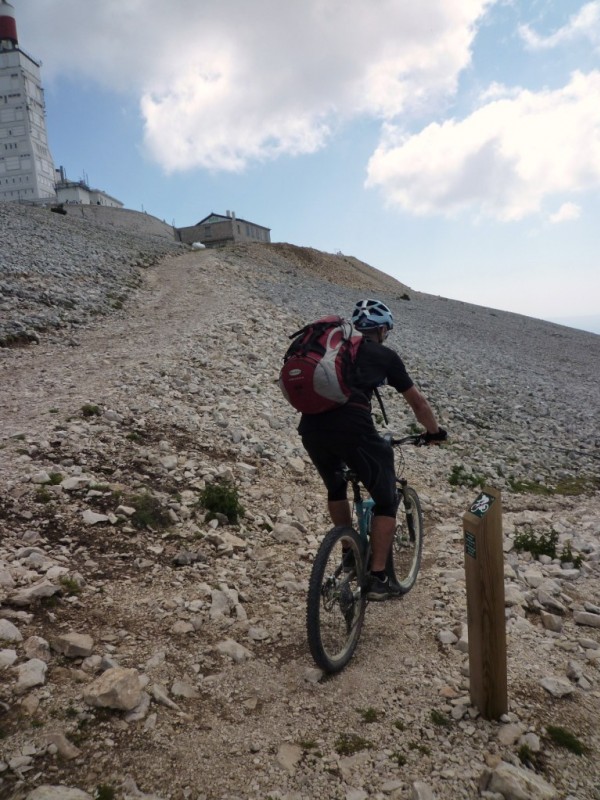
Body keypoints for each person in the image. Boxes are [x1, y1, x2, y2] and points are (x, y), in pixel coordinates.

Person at [298, 298, 447, 600]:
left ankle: (348, 550)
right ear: (380, 330)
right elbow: (418, 402)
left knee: (336, 487)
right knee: (386, 499)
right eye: (386, 332)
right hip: (353, 430)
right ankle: (378, 578)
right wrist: (434, 432)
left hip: (311, 430)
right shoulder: (384, 356)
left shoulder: (333, 351)